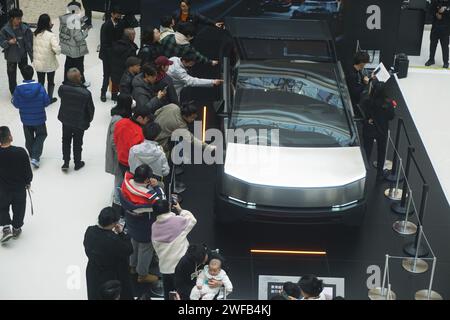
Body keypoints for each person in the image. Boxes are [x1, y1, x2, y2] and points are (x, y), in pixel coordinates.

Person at [120, 164, 165, 284]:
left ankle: (132, 266)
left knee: (134, 243)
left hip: (130, 222)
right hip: (145, 226)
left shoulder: (126, 182)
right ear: (146, 180)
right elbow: (161, 203)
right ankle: (142, 274)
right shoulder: (148, 196)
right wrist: (157, 187)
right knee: (146, 248)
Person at [83, 207, 133, 300]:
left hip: (93, 271)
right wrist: (121, 233)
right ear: (113, 223)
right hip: (110, 275)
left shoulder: (90, 231)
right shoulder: (113, 240)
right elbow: (129, 249)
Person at [151, 199, 197, 300]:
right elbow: (192, 219)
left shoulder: (154, 227)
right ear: (169, 208)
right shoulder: (179, 221)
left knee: (169, 293)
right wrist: (181, 210)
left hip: (165, 268)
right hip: (182, 267)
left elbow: (155, 247)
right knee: (184, 293)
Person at [12, 65, 50, 168]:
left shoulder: (18, 89)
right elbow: (46, 102)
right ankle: (35, 156)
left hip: (25, 119)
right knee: (42, 134)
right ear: (33, 74)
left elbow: (16, 104)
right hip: (39, 119)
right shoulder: (40, 87)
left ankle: (32, 154)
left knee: (29, 138)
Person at [58, 68, 95, 171]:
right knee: (78, 143)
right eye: (79, 76)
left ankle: (65, 162)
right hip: (79, 121)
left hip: (66, 119)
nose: (81, 77)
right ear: (77, 78)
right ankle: (77, 163)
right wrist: (89, 120)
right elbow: (90, 110)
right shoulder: (86, 93)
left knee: (65, 140)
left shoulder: (62, 89)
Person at [0, 127, 32, 243]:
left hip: (2, 190)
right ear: (10, 137)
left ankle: (6, 228)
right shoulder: (21, 152)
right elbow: (28, 171)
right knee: (19, 208)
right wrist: (28, 182)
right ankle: (16, 228)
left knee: (2, 208)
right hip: (19, 189)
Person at [361, 80, 396, 181]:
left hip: (369, 129)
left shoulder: (367, 100)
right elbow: (391, 117)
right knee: (381, 152)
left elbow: (362, 112)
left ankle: (364, 172)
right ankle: (379, 173)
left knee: (367, 151)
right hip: (381, 130)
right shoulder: (387, 103)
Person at [105, 94, 133, 206]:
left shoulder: (119, 116)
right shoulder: (118, 120)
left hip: (120, 155)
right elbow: (114, 142)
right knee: (119, 181)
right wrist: (122, 154)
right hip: (119, 157)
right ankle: (117, 202)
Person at [0, 8, 33, 95]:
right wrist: (8, 42)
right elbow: (2, 43)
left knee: (27, 74)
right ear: (12, 18)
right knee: (11, 76)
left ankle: (28, 90)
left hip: (23, 55)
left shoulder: (25, 27)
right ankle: (14, 93)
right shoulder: (4, 30)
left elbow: (31, 39)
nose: (20, 20)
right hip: (11, 57)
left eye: (20, 18)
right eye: (17, 18)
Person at [113, 106, 154, 177]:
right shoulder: (139, 132)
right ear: (140, 118)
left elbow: (115, 139)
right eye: (147, 119)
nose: (148, 121)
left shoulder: (120, 122)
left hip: (120, 159)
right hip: (132, 165)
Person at [60, 1, 90, 86]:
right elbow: (78, 37)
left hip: (68, 47)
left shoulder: (64, 19)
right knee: (79, 66)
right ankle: (81, 82)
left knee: (68, 65)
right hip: (77, 49)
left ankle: (66, 80)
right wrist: (86, 31)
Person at [32, 13, 61, 104]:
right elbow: (57, 49)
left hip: (38, 63)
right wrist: (56, 51)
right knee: (51, 81)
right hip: (49, 63)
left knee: (41, 82)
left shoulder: (35, 34)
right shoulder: (51, 35)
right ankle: (49, 98)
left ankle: (41, 98)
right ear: (48, 23)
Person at [100, 6, 125, 102]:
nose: (119, 16)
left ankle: (114, 93)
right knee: (106, 75)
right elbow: (104, 42)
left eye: (120, 15)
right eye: (117, 14)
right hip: (107, 55)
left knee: (115, 75)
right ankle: (103, 93)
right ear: (112, 14)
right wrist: (115, 47)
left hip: (116, 54)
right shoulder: (106, 25)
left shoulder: (121, 24)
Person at [111, 28, 138, 100]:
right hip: (124, 71)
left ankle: (113, 96)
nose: (135, 36)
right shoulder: (131, 48)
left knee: (115, 82)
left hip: (115, 69)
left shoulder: (116, 44)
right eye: (134, 34)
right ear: (130, 36)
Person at [425, 1, 450, 68]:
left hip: (446, 28)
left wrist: (445, 10)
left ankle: (445, 62)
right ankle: (431, 59)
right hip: (435, 27)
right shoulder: (435, 1)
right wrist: (436, 14)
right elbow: (430, 9)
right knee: (433, 44)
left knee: (445, 46)